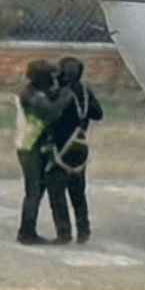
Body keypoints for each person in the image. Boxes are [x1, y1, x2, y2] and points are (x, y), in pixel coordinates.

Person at [39, 55, 105, 244]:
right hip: (79, 147)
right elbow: (98, 114)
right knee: (78, 192)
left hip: (60, 149)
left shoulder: (60, 93)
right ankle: (83, 231)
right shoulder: (85, 93)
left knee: (56, 191)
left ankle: (64, 233)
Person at [12, 59, 70, 245]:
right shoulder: (31, 96)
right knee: (34, 190)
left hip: (37, 145)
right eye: (49, 77)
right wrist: (66, 94)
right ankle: (26, 233)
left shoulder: (37, 91)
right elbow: (53, 111)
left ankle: (31, 231)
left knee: (42, 188)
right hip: (30, 147)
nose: (53, 80)